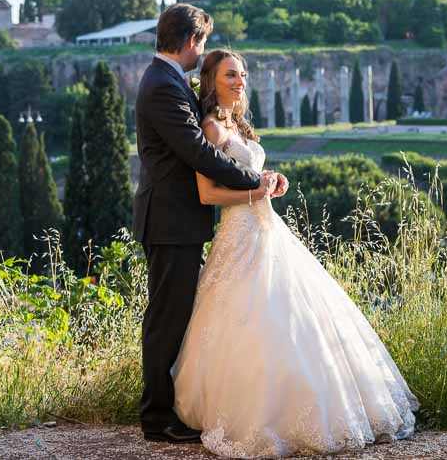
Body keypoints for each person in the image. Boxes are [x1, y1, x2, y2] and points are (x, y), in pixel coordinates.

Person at [172, 50, 420, 457]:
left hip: (265, 225)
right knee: (250, 317)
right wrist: (255, 190)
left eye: (243, 74)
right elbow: (207, 194)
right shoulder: (212, 128)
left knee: (292, 314)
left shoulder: (237, 124)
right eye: (230, 74)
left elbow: (247, 174)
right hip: (239, 231)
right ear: (210, 80)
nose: (240, 81)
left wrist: (270, 180)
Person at [132, 3, 289, 444]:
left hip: (178, 221)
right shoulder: (162, 85)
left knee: (177, 316)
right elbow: (198, 152)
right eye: (200, 45)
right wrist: (255, 181)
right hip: (169, 220)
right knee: (166, 318)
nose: (201, 56)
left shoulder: (167, 81)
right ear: (191, 41)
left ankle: (169, 410)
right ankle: (157, 418)